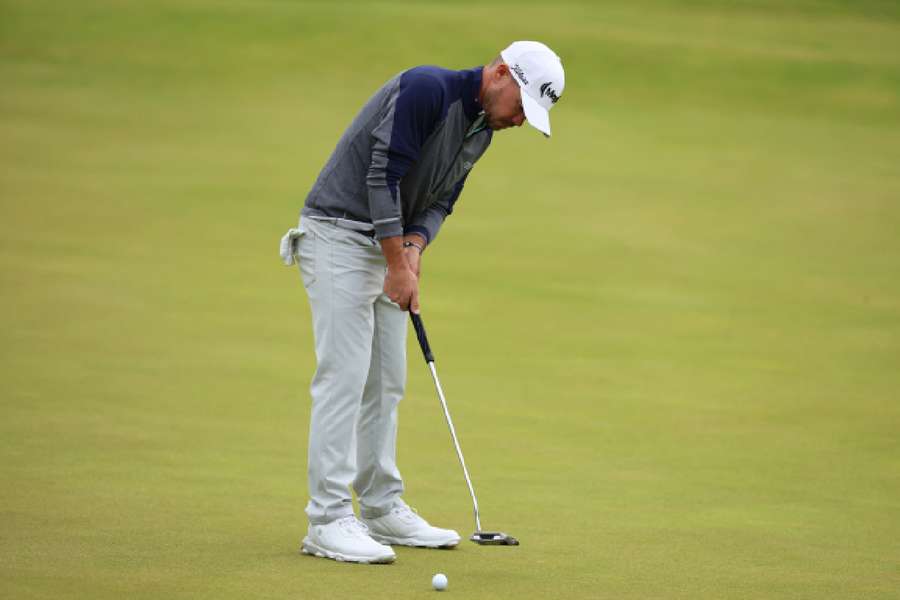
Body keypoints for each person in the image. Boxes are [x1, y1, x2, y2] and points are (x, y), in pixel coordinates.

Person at [280, 41, 565, 564]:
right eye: (522, 105)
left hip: (384, 244)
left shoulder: (482, 131)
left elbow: (441, 199)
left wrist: (412, 250)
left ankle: (382, 507)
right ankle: (326, 520)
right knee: (344, 377)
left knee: (387, 380)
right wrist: (396, 262)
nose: (522, 120)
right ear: (500, 72)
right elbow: (381, 176)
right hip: (339, 235)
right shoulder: (425, 88)